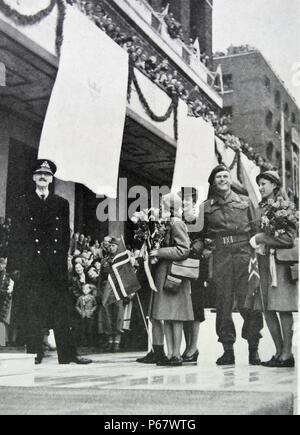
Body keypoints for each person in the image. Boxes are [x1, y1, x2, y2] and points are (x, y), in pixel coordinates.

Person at [7, 159, 92, 365]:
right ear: (34, 178)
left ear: (52, 179)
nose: (43, 177)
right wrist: (14, 266)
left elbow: (64, 235)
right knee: (33, 309)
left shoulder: (61, 203)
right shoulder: (22, 202)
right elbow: (15, 236)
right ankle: (34, 353)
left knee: (61, 311)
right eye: (39, 174)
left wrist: (64, 261)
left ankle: (68, 354)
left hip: (54, 266)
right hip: (31, 265)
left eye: (47, 175)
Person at [195, 165, 263, 365]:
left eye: (225, 176)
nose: (223, 179)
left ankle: (253, 349)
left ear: (230, 179)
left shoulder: (245, 201)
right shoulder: (205, 207)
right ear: (213, 182)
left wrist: (256, 252)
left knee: (248, 302)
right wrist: (200, 250)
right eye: (219, 177)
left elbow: (256, 227)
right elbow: (201, 235)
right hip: (221, 257)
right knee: (223, 304)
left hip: (244, 254)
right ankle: (227, 350)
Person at [250, 171, 298, 368]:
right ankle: (278, 352)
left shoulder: (284, 207)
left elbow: (289, 239)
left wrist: (262, 238)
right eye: (259, 184)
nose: (260, 187)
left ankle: (287, 353)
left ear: (274, 185)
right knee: (267, 309)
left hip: (280, 265)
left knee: (283, 309)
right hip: (262, 264)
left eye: (264, 183)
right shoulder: (261, 207)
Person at [149, 193, 194, 367]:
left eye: (164, 204)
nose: (161, 207)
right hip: (164, 273)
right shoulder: (165, 224)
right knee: (167, 315)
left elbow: (184, 250)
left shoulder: (176, 223)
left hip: (174, 273)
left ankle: (176, 354)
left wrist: (159, 252)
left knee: (175, 317)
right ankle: (170, 353)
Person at [97, 237, 125, 352]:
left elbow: (126, 276)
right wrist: (99, 291)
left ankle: (117, 341)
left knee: (118, 314)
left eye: (114, 245)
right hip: (106, 289)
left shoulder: (122, 260)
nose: (111, 247)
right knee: (107, 314)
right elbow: (100, 278)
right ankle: (110, 340)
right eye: (110, 245)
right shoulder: (104, 261)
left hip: (118, 289)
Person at [0, 258, 14, 346]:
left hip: (4, 300)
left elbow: (8, 290)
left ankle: (2, 342)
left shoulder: (7, 276)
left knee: (2, 320)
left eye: (3, 264)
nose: (1, 266)